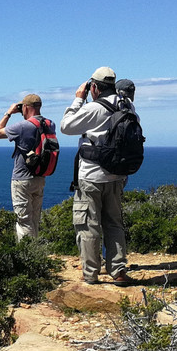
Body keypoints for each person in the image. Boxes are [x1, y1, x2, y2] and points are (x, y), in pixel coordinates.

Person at [59, 67, 135, 286]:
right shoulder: (128, 106)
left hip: (91, 176)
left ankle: (91, 273)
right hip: (117, 176)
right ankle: (118, 271)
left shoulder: (94, 108)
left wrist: (77, 100)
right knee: (114, 224)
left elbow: (66, 126)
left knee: (88, 225)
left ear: (94, 87)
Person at [0, 92, 55, 240]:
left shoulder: (22, 126)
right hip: (40, 177)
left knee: (23, 221)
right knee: (34, 219)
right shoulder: (50, 124)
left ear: (25, 107)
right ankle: (36, 254)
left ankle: (28, 257)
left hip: (22, 178)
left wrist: (9, 113)